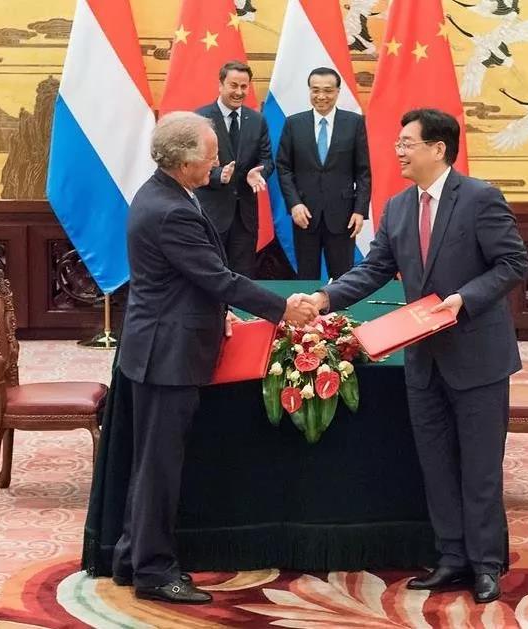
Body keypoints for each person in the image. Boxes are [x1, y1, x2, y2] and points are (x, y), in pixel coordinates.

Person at [300, 109, 528, 604]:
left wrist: (465, 299)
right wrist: (323, 298)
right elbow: (375, 269)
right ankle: (451, 557)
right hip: (424, 359)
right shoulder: (399, 206)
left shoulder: (480, 199)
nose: (398, 151)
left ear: (438, 148)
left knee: (480, 467)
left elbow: (513, 263)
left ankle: (486, 564)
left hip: (477, 355)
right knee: (436, 464)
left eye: (407, 143)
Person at [113, 111, 316, 605]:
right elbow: (217, 277)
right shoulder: (172, 210)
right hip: (167, 355)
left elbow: (190, 280)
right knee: (160, 466)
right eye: (210, 155)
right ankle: (154, 571)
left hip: (161, 344)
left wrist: (218, 311)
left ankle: (131, 556)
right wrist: (282, 309)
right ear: (184, 162)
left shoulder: (165, 193)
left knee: (151, 463)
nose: (218, 161)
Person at [277, 67, 371, 280]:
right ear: (309, 90)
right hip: (304, 215)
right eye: (315, 90)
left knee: (343, 280)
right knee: (306, 278)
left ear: (337, 92)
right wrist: (294, 203)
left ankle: (341, 306)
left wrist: (360, 210)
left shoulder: (354, 123)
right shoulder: (294, 123)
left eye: (328, 90)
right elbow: (284, 168)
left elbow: (363, 172)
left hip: (343, 216)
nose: (321, 96)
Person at [194, 61, 273, 278]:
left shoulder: (257, 120)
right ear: (221, 85)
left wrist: (259, 173)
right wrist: (218, 175)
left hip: (245, 217)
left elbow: (267, 159)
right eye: (233, 85)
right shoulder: (200, 119)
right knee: (210, 275)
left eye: (244, 86)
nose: (239, 92)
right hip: (212, 214)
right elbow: (192, 163)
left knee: (243, 278)